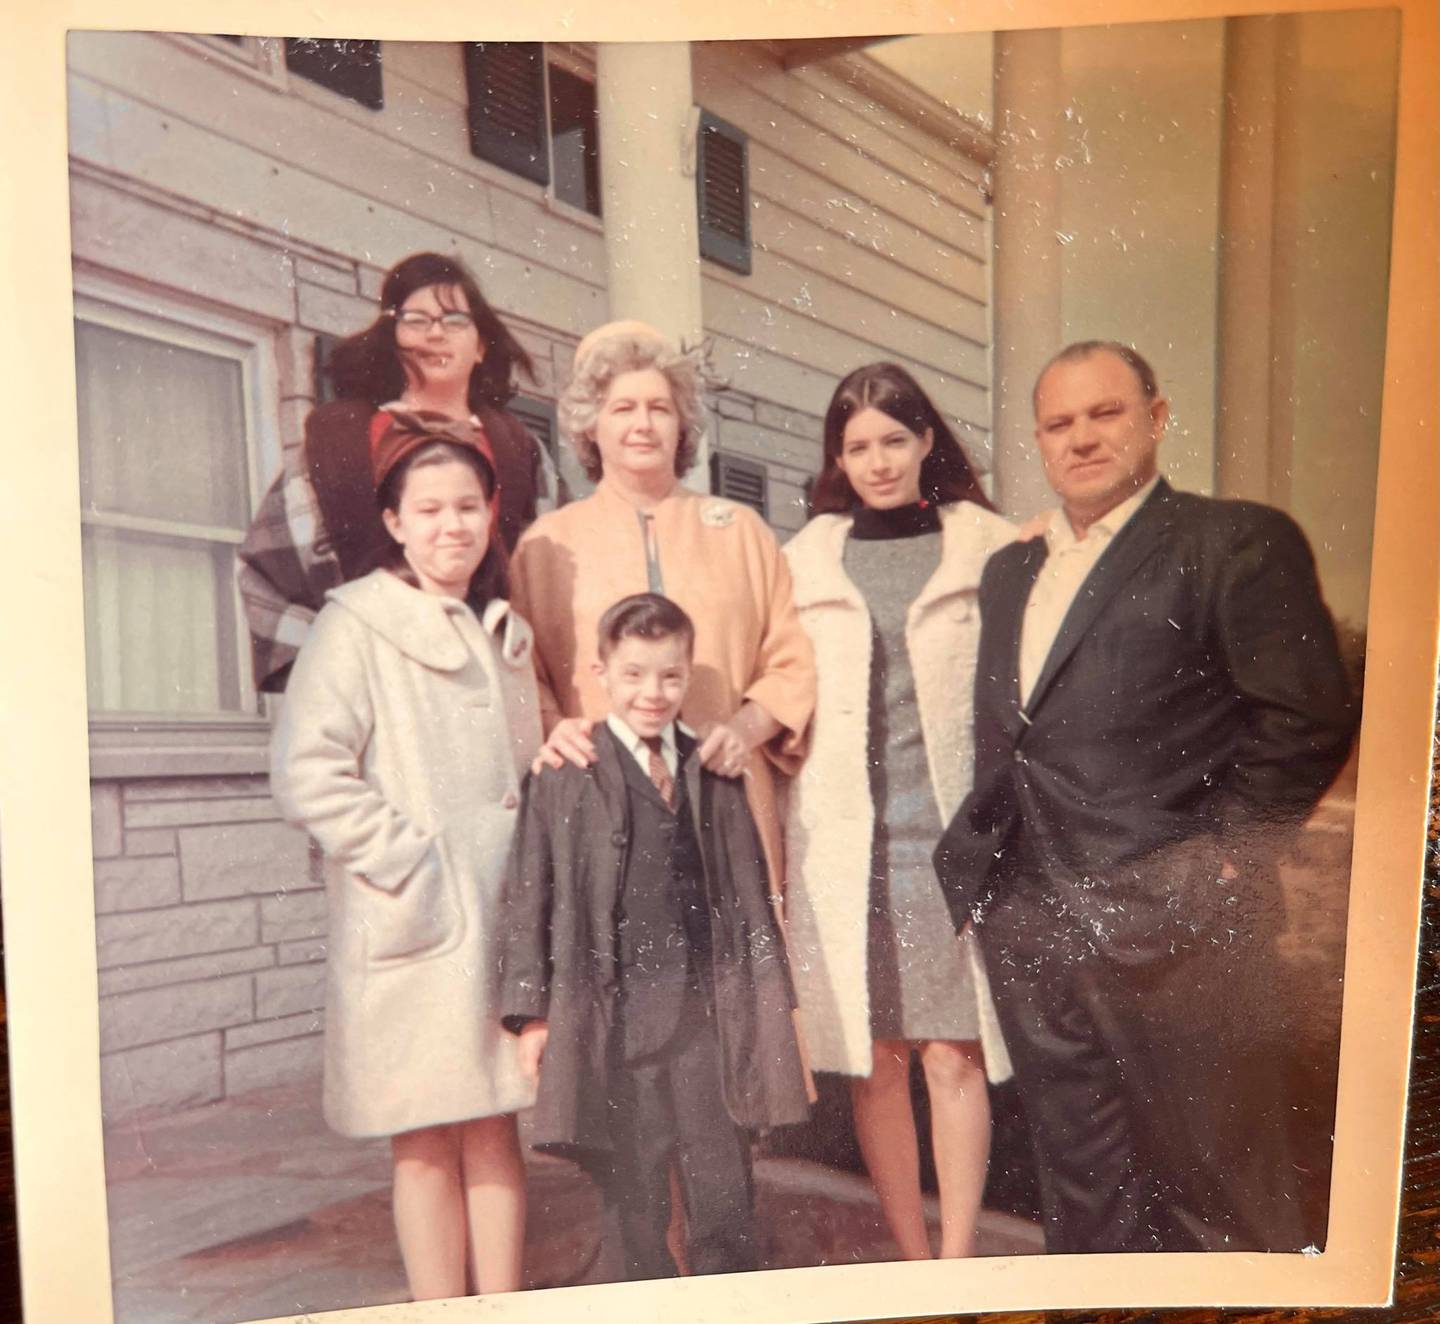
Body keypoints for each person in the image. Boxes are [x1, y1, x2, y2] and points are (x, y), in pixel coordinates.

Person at [932, 341, 1357, 1254]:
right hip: (1036, 922)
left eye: (1106, 413)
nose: (1081, 438)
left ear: (1156, 418)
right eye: (1059, 423)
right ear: (1040, 443)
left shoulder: (1232, 540)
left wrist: (1218, 860)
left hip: (1180, 927)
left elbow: (1307, 717)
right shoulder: (1013, 568)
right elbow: (1017, 734)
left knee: (1224, 1199)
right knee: (1082, 1196)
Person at [270, 413, 540, 1300]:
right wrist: (409, 862)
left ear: (493, 511)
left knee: (497, 1124)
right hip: (413, 914)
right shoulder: (356, 624)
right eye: (428, 510)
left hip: (499, 915)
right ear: (394, 521)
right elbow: (307, 771)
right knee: (423, 1134)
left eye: (467, 506)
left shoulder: (504, 632)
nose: (450, 526)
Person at [499, 593, 810, 1279]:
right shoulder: (566, 772)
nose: (653, 692)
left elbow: (751, 898)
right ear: (602, 671)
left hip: (707, 1028)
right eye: (634, 674)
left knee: (724, 1195)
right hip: (617, 1030)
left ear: (687, 672)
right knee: (631, 1202)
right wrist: (531, 1018)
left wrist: (769, 1009)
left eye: (670, 676)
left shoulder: (713, 769)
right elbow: (531, 899)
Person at [782, 362, 1016, 1260]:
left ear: (926, 443)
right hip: (845, 848)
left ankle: (956, 1260)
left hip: (950, 841)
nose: (877, 462)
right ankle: (909, 1260)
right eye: (856, 447)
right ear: (836, 459)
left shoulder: (990, 547)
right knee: (875, 1060)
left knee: (953, 1054)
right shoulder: (803, 558)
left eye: (893, 441)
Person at [507, 320, 815, 895]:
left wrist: (744, 729)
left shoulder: (741, 533)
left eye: (659, 408)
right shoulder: (547, 545)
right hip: (598, 799)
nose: (642, 424)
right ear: (591, 426)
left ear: (683, 426)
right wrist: (555, 728)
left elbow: (790, 662)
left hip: (724, 796)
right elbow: (523, 675)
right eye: (622, 408)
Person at [239, 249, 553, 692]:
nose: (436, 334)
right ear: (392, 337)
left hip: (492, 683)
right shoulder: (341, 442)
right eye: (417, 320)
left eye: (455, 320)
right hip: (378, 690)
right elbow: (266, 572)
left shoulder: (521, 450)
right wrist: (333, 668)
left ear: (481, 346)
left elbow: (550, 580)